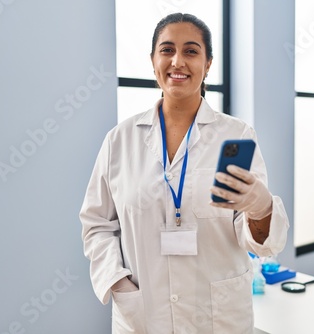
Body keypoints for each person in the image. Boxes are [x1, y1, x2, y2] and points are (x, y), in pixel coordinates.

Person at [80, 12, 289, 334]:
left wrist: (261, 208)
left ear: (208, 64)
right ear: (153, 60)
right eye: (167, 50)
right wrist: (118, 282)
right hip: (144, 312)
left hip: (218, 316)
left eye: (191, 51)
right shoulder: (120, 139)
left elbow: (260, 243)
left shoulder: (236, 134)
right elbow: (97, 225)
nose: (178, 61)